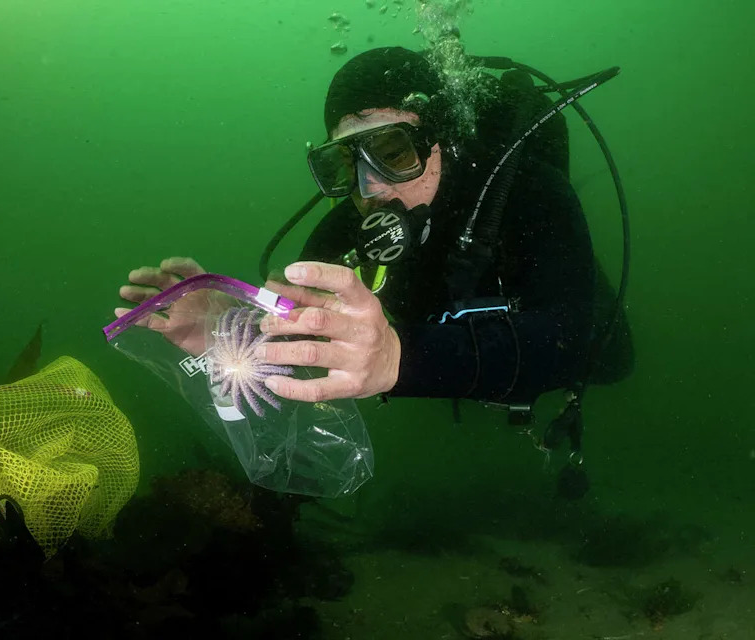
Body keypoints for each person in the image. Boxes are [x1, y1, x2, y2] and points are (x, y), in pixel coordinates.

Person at [116, 46, 631, 416]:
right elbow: (303, 331)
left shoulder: (532, 195)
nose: (370, 188)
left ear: (441, 143)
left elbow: (576, 342)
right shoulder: (344, 232)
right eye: (345, 163)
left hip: (568, 337)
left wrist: (399, 360)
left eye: (393, 153)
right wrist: (229, 329)